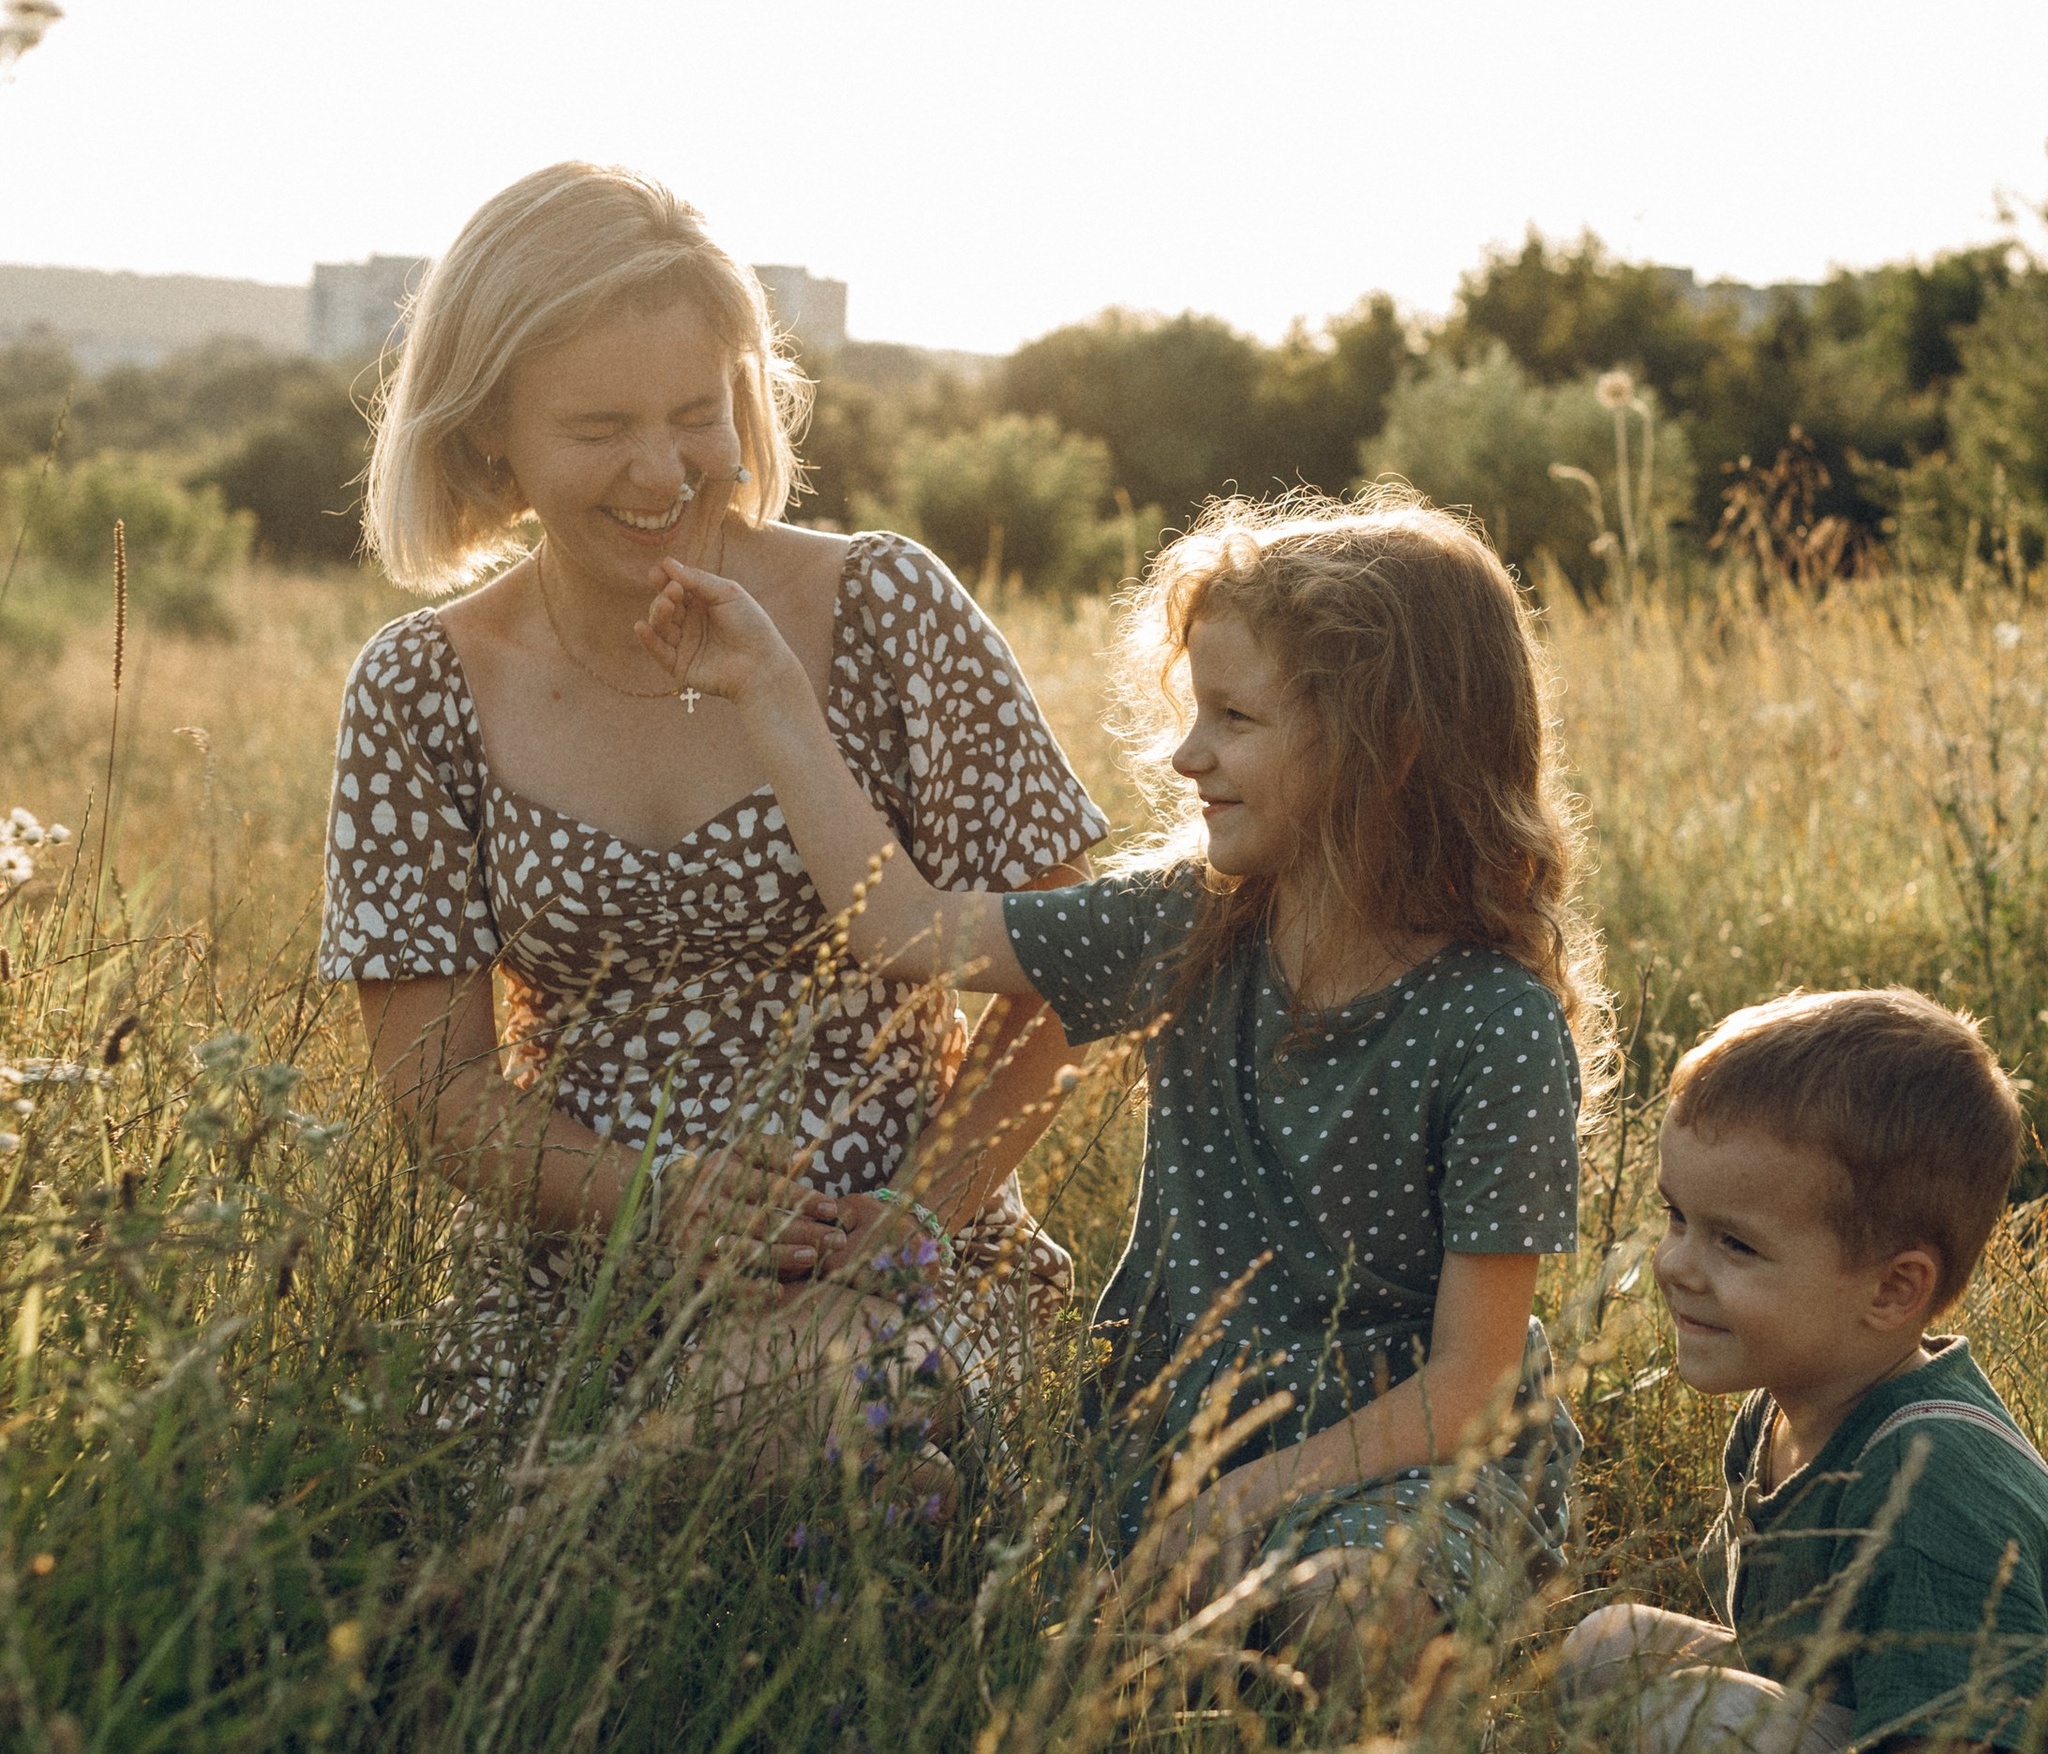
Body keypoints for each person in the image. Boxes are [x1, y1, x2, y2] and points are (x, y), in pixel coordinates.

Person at [626, 490, 1604, 1677]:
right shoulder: (1189, 920)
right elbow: (906, 925)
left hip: (1394, 1469)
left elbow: (1471, 1387)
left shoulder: (1493, 1025)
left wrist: (1234, 1509)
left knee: (1344, 1622)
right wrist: (769, 692)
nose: (1188, 757)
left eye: (1233, 718)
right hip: (1163, 1442)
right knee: (998, 1604)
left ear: (1384, 746)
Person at [317, 162, 1104, 1434]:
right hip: (571, 1264)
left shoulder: (890, 608)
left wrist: (917, 1214)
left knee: (815, 1418)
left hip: (899, 1237)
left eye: (696, 412)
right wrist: (655, 1198)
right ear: (486, 436)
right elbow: (438, 1092)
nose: (661, 470)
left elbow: (1065, 976)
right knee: (491, 1545)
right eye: (597, 428)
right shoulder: (418, 689)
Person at [1556, 989, 2048, 1754]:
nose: (1672, 1265)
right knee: (1610, 1652)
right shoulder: (1792, 1399)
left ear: (1893, 1291)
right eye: (1675, 1218)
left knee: (1681, 1724)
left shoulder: (1930, 1486)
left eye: (1733, 1245)